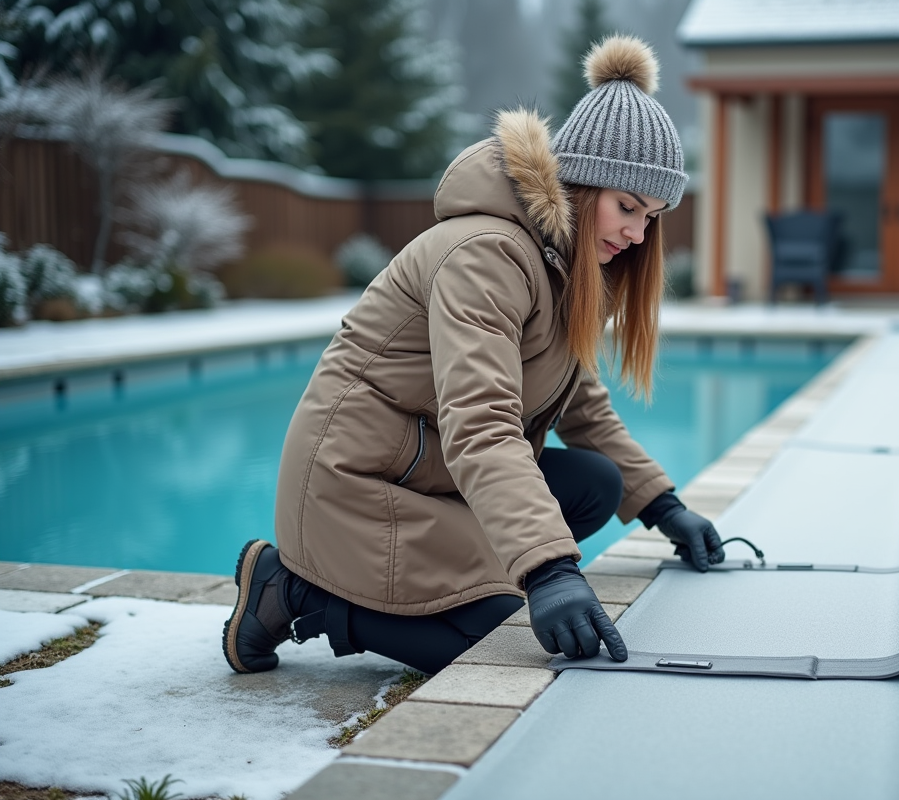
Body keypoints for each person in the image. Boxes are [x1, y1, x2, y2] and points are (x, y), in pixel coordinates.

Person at [222, 35, 725, 677]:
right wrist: (549, 570)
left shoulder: (566, 269)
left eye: (651, 216)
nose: (637, 232)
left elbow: (583, 409)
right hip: (357, 485)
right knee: (494, 643)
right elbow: (482, 420)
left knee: (595, 485)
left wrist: (662, 506)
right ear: (577, 184)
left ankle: (461, 576)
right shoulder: (486, 254)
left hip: (432, 477)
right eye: (627, 207)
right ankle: (293, 591)